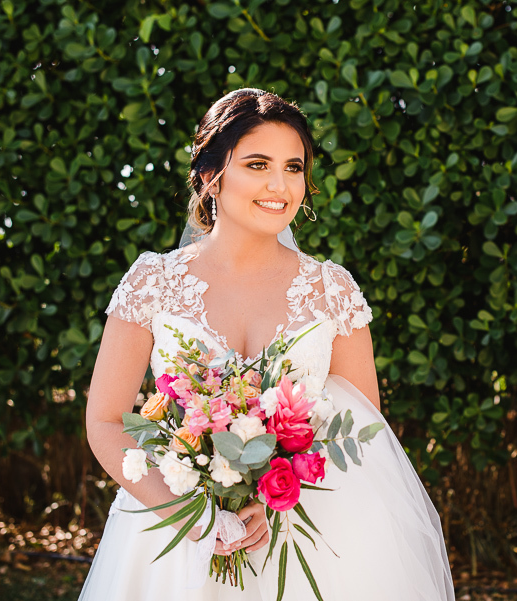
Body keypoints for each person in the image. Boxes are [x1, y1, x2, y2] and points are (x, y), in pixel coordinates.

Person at [79, 88, 455, 600]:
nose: (280, 185)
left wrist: (279, 493)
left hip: (308, 540)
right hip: (169, 528)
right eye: (258, 164)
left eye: (294, 167)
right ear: (211, 175)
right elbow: (104, 420)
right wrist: (191, 515)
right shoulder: (153, 281)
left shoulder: (331, 291)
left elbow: (363, 433)